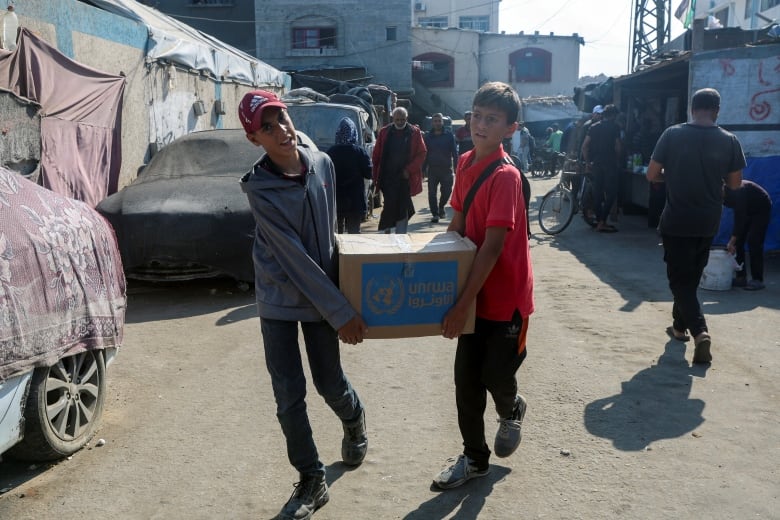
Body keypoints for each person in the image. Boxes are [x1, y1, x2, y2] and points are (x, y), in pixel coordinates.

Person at [238, 90, 369, 520]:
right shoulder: (259, 188)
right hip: (280, 297)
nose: (281, 131)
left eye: (282, 119)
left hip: (321, 296)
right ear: (254, 138)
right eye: (267, 127)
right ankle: (312, 479)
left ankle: (354, 417)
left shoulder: (323, 165)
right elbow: (294, 257)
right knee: (288, 395)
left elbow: (330, 241)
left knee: (329, 382)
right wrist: (341, 311)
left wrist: (346, 289)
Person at [434, 81, 534, 490]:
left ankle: (511, 408)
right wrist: (426, 263)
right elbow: (457, 222)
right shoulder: (464, 161)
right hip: (472, 293)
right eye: (476, 115)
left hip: (505, 298)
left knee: (495, 375)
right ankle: (474, 458)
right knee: (466, 382)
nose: (480, 124)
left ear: (510, 128)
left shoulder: (506, 177)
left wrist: (460, 305)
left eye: (491, 119)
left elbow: (492, 249)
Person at [646, 87, 744, 364]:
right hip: (708, 221)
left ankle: (700, 332)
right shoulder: (729, 140)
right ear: (717, 111)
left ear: (691, 108)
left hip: (677, 220)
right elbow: (735, 184)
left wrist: (674, 177)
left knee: (680, 282)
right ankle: (679, 328)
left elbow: (652, 175)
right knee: (689, 280)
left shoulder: (672, 134)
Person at [371, 106, 427, 233]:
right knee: (389, 206)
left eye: (402, 120)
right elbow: (376, 156)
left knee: (403, 207)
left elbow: (422, 153)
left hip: (405, 178)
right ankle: (385, 233)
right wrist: (375, 177)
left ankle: (401, 235)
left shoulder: (414, 132)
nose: (400, 122)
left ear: (407, 118)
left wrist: (409, 170)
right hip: (387, 178)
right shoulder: (384, 132)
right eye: (397, 120)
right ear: (393, 119)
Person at [326, 117, 373, 233]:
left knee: (336, 234)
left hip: (336, 201)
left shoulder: (331, 152)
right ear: (354, 132)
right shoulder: (359, 152)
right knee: (353, 235)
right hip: (355, 202)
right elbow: (369, 174)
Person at [724, 180, 772, 290]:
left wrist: (731, 241)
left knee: (754, 241)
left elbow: (739, 218)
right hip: (747, 209)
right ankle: (741, 277)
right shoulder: (717, 193)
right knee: (738, 243)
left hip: (761, 208)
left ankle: (757, 279)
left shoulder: (737, 190)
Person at [581, 104, 622, 233]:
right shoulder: (615, 127)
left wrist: (588, 162)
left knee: (597, 193)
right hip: (610, 164)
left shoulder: (593, 127)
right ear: (614, 116)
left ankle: (599, 221)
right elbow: (618, 146)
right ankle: (603, 221)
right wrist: (619, 160)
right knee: (611, 193)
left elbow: (584, 146)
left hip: (596, 164)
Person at [423, 112, 459, 223]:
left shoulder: (449, 136)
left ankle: (441, 206)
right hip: (433, 169)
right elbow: (424, 153)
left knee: (447, 191)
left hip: (446, 169)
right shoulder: (427, 137)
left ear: (442, 122)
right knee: (432, 193)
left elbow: (454, 152)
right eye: (435, 121)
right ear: (432, 123)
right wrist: (423, 169)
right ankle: (435, 214)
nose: (437, 123)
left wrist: (456, 167)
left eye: (439, 121)